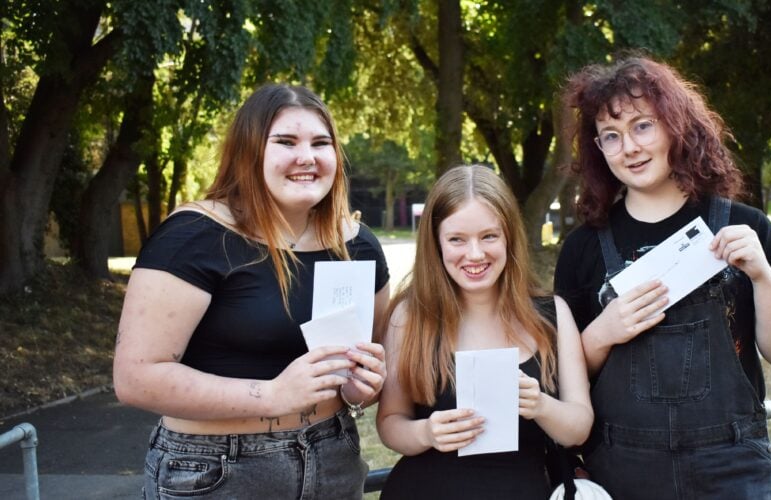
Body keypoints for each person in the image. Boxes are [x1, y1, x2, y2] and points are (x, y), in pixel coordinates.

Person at [113, 83, 390, 499]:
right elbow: (136, 378)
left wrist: (361, 390)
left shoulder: (358, 245)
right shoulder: (196, 235)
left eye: (321, 142)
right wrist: (273, 395)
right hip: (218, 470)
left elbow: (368, 372)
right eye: (285, 142)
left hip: (333, 457)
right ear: (249, 152)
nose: (307, 157)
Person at [554, 54, 771, 499]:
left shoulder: (745, 228)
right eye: (610, 137)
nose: (629, 147)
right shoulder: (583, 249)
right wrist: (603, 333)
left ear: (676, 125)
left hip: (732, 469)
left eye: (642, 126)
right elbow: (560, 383)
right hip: (621, 470)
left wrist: (763, 275)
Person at [376, 165, 593, 499]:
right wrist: (426, 433)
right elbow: (390, 422)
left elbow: (579, 429)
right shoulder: (410, 316)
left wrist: (541, 406)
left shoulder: (553, 315)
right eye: (456, 239)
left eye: (489, 236)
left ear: (509, 236)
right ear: (436, 243)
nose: (474, 254)